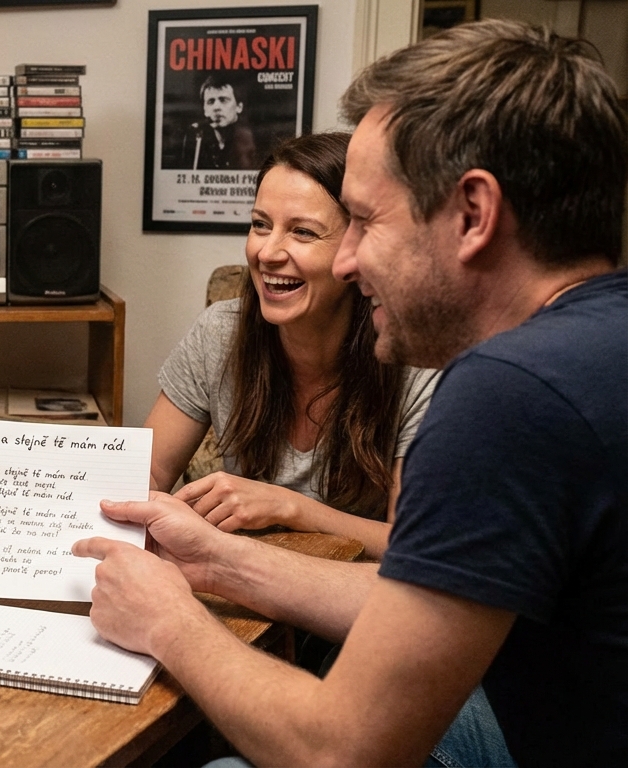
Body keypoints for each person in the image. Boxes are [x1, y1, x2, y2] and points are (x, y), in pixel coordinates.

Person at [75, 19, 626, 767]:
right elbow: (428, 601)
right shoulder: (597, 344)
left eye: (362, 222)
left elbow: (343, 752)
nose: (351, 260)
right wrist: (215, 563)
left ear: (473, 213)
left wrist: (169, 621)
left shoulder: (509, 394)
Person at [150, 131, 437, 559]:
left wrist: (291, 508)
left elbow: (413, 547)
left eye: (302, 232)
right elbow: (147, 476)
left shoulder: (417, 361)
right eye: (260, 224)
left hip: (350, 609)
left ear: (358, 249)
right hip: (240, 592)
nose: (267, 252)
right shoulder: (219, 333)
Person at [180, 75, 259, 170]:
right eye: (210, 102)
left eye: (223, 100)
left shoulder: (253, 139)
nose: (216, 107)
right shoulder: (196, 137)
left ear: (239, 107)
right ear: (205, 110)